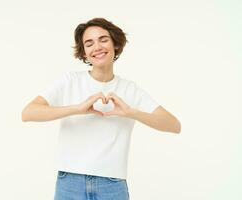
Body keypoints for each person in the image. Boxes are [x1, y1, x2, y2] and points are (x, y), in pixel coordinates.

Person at [22, 17, 181, 200]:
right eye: (89, 43)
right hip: (70, 182)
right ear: (84, 53)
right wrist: (77, 108)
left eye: (103, 39)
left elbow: (174, 125)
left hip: (112, 184)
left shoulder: (130, 89)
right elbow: (28, 113)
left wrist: (131, 112)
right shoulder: (70, 81)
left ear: (115, 43)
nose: (97, 47)